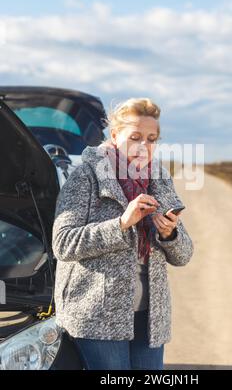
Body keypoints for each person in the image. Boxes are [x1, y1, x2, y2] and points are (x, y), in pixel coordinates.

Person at [52, 97, 194, 370]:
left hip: (149, 316)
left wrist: (170, 235)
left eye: (152, 139)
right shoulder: (86, 176)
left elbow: (184, 254)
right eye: (136, 137)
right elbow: (63, 243)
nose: (144, 147)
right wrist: (121, 223)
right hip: (97, 315)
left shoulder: (159, 178)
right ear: (116, 136)